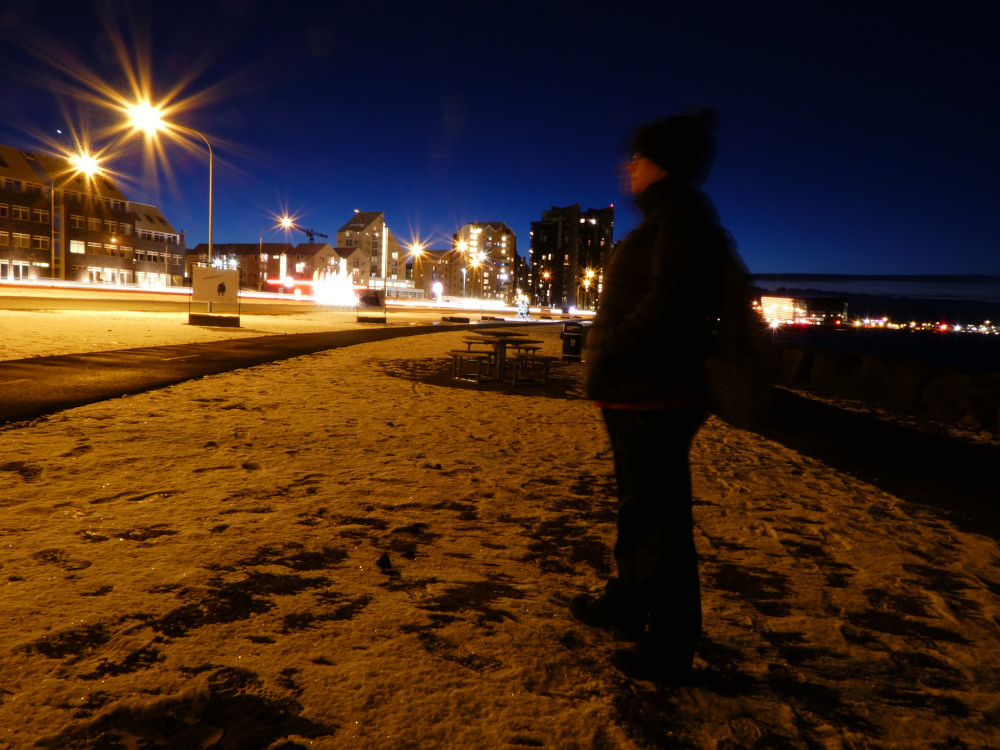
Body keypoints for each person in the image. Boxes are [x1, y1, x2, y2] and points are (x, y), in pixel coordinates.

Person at [571, 108, 729, 685]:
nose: (627, 166)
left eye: (636, 158)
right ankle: (628, 603)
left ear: (660, 164)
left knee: (661, 520)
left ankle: (669, 644)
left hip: (655, 393)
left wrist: (610, 343)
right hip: (640, 393)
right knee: (641, 510)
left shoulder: (679, 221)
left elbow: (670, 305)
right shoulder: (671, 218)